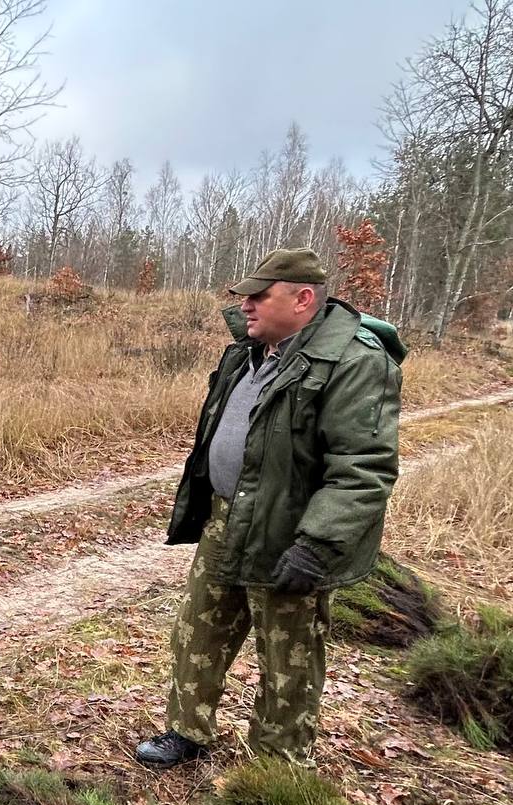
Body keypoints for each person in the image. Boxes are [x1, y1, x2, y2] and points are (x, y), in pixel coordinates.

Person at [135, 248, 407, 768]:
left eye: (259, 295)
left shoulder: (355, 361)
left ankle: (277, 763)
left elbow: (363, 467)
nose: (246, 304)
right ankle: (186, 730)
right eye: (245, 295)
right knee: (200, 626)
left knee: (289, 657)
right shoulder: (249, 351)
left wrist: (318, 546)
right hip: (227, 517)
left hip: (291, 534)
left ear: (303, 299)